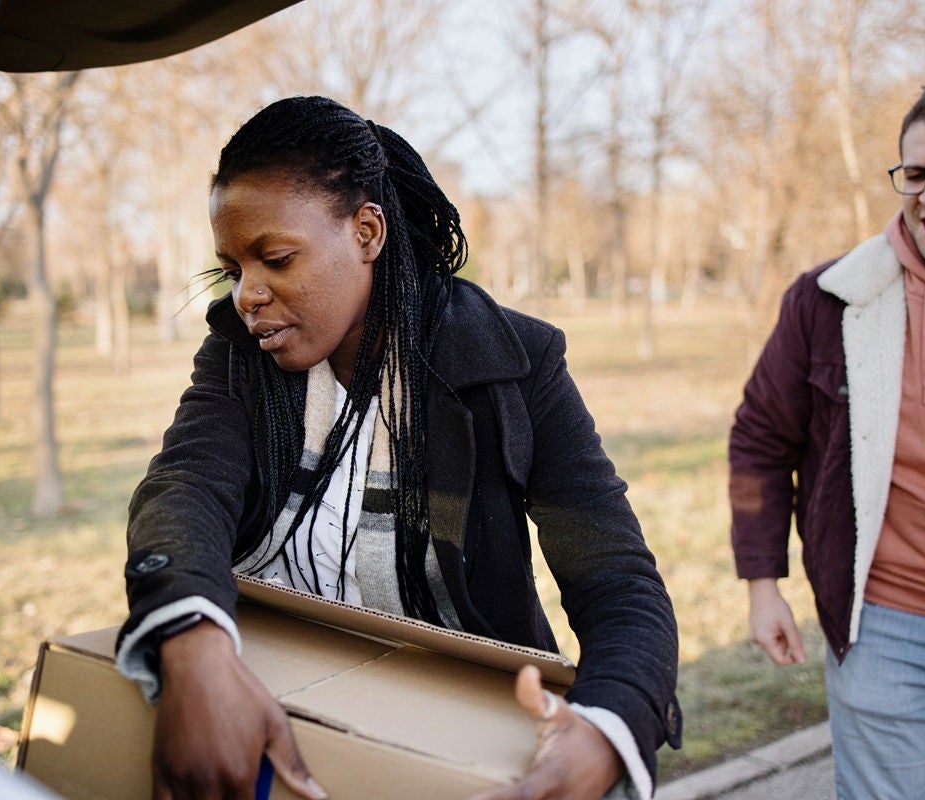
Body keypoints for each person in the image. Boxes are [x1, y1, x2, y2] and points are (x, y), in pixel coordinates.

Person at [115, 95, 680, 800]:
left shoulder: (516, 364)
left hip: (462, 744)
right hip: (281, 714)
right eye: (232, 269)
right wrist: (194, 647)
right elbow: (184, 490)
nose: (247, 295)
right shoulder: (237, 358)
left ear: (367, 230)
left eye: (276, 258)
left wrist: (605, 729)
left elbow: (619, 583)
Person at [730, 76, 925, 800]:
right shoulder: (830, 300)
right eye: (917, 173)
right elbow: (757, 445)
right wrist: (761, 584)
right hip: (883, 626)